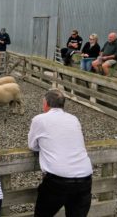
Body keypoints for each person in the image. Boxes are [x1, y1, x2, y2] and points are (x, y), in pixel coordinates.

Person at [28, 89, 93, 217]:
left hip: (58, 181)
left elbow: (32, 146)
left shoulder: (39, 119)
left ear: (46, 104)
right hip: (85, 178)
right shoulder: (74, 119)